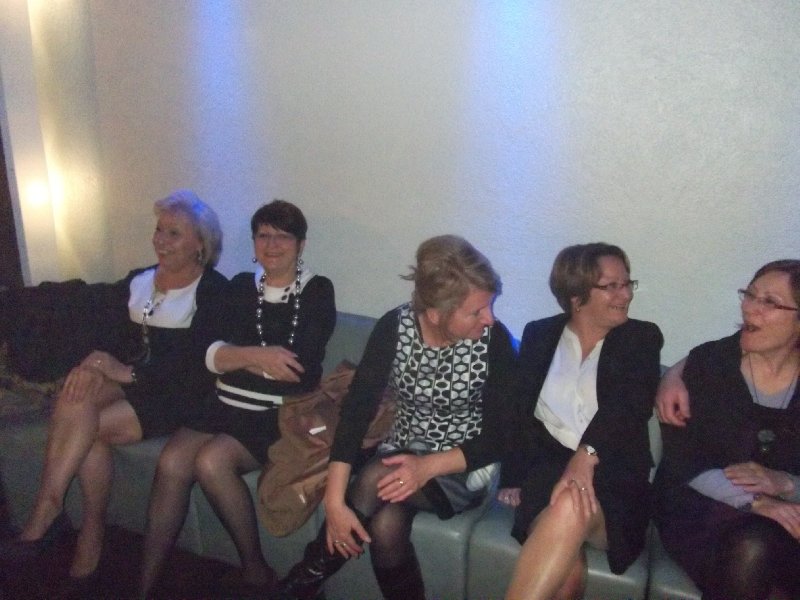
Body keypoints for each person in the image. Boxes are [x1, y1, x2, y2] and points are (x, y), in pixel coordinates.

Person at [0, 190, 227, 584]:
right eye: (159, 230)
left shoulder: (214, 291)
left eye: (173, 233)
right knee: (77, 394)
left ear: (200, 244)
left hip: (179, 396)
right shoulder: (140, 280)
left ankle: (74, 525)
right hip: (130, 380)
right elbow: (108, 334)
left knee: (85, 429)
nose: (160, 240)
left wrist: (124, 373)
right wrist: (94, 363)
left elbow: (197, 367)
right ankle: (55, 510)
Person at [277, 235, 516, 600]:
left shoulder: (493, 341)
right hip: (400, 447)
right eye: (477, 311)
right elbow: (357, 411)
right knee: (386, 525)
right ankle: (304, 584)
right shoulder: (396, 326)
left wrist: (427, 467)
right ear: (435, 314)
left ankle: (302, 580)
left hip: (463, 463)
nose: (490, 318)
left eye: (488, 307)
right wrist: (335, 503)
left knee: (376, 475)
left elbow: (504, 434)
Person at [138, 200, 336, 597]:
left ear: (301, 244)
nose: (272, 244)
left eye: (283, 236)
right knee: (172, 461)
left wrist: (232, 356)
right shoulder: (239, 286)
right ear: (253, 242)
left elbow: (297, 366)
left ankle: (255, 569)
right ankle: (144, 585)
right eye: (263, 235)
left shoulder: (317, 290)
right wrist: (260, 357)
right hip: (220, 404)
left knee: (211, 461)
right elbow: (203, 351)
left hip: (273, 415)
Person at [500, 242, 663, 600]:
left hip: (616, 478)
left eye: (627, 284)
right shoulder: (539, 334)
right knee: (567, 574)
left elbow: (630, 405)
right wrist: (511, 475)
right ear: (576, 296)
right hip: (547, 473)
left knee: (571, 502)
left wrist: (586, 455)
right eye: (612, 286)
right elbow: (518, 411)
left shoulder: (641, 338)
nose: (626, 295)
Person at [652, 259, 800, 599]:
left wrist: (786, 484)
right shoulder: (711, 364)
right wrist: (757, 502)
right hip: (702, 510)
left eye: (770, 302)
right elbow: (684, 459)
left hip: (787, 517)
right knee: (753, 546)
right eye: (750, 294)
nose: (750, 308)